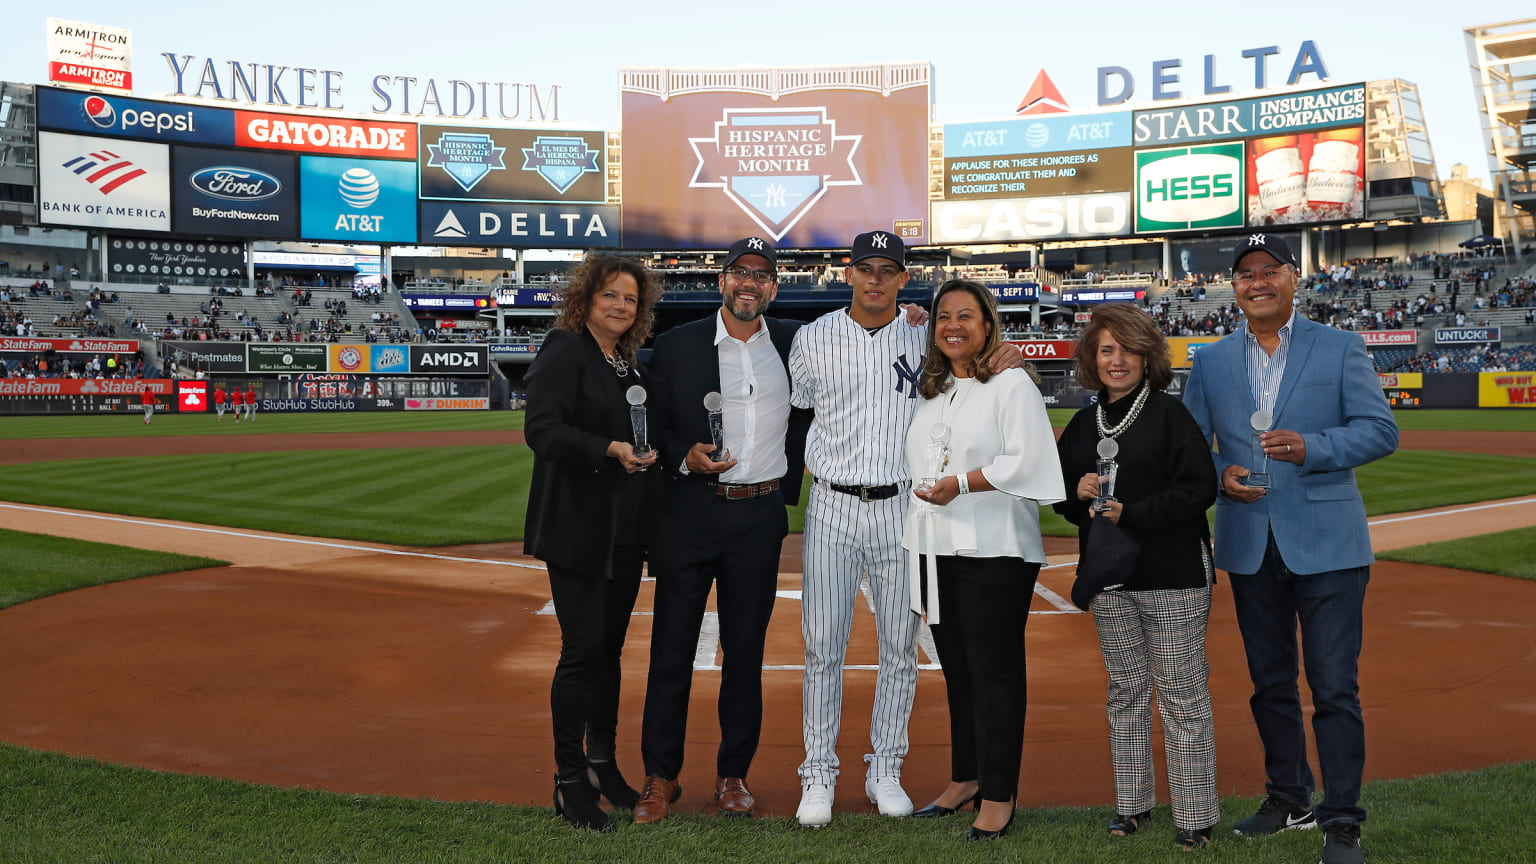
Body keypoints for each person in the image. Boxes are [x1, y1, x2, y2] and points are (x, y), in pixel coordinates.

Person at [788, 231, 1023, 827]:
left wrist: (1009, 352)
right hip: (834, 505)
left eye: (887, 271)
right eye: (865, 268)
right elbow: (802, 408)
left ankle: (884, 768)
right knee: (822, 646)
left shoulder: (927, 337)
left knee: (899, 644)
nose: (875, 279)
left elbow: (978, 359)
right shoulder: (812, 339)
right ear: (847, 273)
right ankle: (818, 773)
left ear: (901, 279)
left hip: (903, 507)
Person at [1183, 234, 1397, 864]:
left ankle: (1342, 819)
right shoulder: (1213, 361)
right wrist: (1219, 472)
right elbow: (1195, 447)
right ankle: (1289, 797)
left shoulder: (1340, 347)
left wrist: (1313, 447)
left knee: (1334, 687)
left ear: (1292, 277)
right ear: (1234, 287)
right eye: (1244, 274)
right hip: (1250, 544)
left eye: (1268, 271)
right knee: (1270, 683)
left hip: (1329, 544)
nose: (1256, 283)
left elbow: (1380, 431)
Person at [634, 237, 813, 823]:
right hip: (690, 510)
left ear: (774, 288)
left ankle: (733, 775)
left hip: (759, 518)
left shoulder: (796, 342)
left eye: (762, 275)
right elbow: (651, 426)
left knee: (745, 654)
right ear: (722, 282)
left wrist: (915, 317)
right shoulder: (676, 346)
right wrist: (685, 455)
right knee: (671, 652)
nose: (750, 284)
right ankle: (660, 777)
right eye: (740, 272)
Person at [1053, 302, 1220, 851]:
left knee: (1179, 689)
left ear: (1148, 355)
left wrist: (1135, 512)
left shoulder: (1171, 416)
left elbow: (1199, 489)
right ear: (1091, 358)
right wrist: (1077, 496)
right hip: (1110, 577)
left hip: (1172, 573)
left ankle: (1195, 812)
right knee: (1125, 691)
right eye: (1106, 350)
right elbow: (1061, 498)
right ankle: (1133, 803)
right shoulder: (1083, 423)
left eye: (1127, 349)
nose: (1116, 360)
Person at [902, 279, 1063, 840]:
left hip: (994, 547)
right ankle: (965, 777)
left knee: (995, 674)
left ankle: (999, 793)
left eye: (966, 316)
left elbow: (1030, 460)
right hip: (937, 547)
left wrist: (964, 483)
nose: (953, 325)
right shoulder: (933, 387)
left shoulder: (1011, 383)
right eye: (943, 315)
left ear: (989, 325)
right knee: (959, 672)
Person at [523, 254, 669, 833]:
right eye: (610, 294)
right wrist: (609, 450)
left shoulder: (625, 365)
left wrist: (643, 454)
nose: (619, 306)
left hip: (623, 530)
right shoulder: (565, 348)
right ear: (586, 297)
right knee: (582, 650)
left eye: (630, 299)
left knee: (608, 651)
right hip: (578, 528)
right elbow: (542, 430)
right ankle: (568, 781)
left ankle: (602, 764)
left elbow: (637, 432)